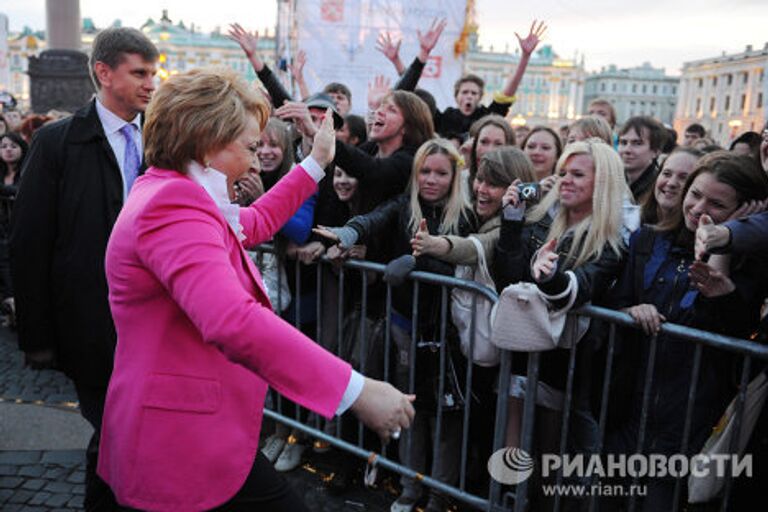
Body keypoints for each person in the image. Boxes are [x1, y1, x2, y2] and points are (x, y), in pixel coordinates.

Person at [97, 66, 414, 511]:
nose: (252, 160)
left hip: (196, 429)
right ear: (209, 142)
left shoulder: (176, 192)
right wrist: (356, 390)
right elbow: (231, 319)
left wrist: (316, 163)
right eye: (248, 147)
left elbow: (255, 222)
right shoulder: (174, 204)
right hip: (180, 438)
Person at [9, 27, 159, 510]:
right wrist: (37, 336)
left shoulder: (159, 141)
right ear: (104, 72)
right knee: (115, 428)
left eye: (153, 73)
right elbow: (29, 242)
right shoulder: (57, 143)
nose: (151, 84)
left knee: (127, 430)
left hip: (149, 322)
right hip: (89, 323)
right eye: (139, 73)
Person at [315, 139, 474, 512]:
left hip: (448, 335)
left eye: (440, 173)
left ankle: (439, 494)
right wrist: (350, 233)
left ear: (454, 177)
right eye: (425, 171)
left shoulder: (464, 216)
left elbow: (462, 266)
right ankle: (409, 486)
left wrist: (419, 263)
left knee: (445, 420)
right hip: (404, 326)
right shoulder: (405, 206)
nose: (431, 180)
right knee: (410, 409)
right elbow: (375, 219)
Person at [608, 151, 768, 510]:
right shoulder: (648, 241)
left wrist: (724, 249)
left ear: (743, 214)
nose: (698, 208)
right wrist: (631, 309)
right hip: (628, 411)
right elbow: (617, 301)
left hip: (690, 425)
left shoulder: (750, 267)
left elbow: (730, 333)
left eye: (717, 204)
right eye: (695, 194)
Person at [494, 140, 626, 474]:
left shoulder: (610, 243)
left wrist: (550, 278)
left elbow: (577, 289)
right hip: (522, 353)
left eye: (578, 174)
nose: (565, 180)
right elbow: (508, 279)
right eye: (563, 172)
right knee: (511, 454)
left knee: (547, 458)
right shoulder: (541, 223)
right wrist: (511, 221)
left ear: (603, 183)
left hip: (566, 366)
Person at [385, 20, 545, 138]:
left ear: (480, 97)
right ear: (457, 96)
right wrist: (403, 59)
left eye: (474, 93)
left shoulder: (487, 117)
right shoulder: (444, 118)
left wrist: (525, 57)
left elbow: (506, 96)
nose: (469, 96)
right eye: (465, 92)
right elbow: (414, 94)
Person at [0, 132, 27, 326]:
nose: (8, 150)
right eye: (4, 146)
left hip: (22, 229)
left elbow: (25, 192)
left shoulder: (28, 169)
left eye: (13, 146)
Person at [640, 147, 703, 225]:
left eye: (683, 177)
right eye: (667, 174)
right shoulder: (632, 222)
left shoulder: (700, 234)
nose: (671, 183)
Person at [618, 116, 667, 201]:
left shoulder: (660, 189)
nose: (627, 150)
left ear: (655, 151)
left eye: (637, 143)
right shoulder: (614, 181)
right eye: (623, 142)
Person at [522, 126, 563, 193]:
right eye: (531, 147)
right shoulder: (509, 184)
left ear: (557, 156)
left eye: (545, 148)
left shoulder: (564, 188)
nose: (536, 152)